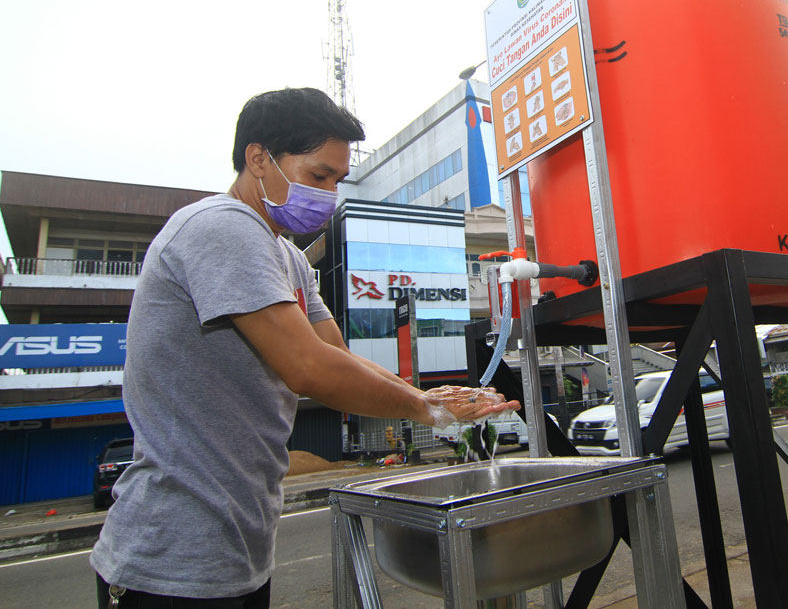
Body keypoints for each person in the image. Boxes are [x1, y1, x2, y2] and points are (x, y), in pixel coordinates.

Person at [90, 88, 518, 609]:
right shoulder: (219, 228)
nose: (330, 193)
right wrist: (426, 411)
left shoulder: (288, 258)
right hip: (169, 560)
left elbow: (337, 355)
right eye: (319, 176)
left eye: (337, 180)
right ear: (258, 158)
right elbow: (308, 369)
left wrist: (436, 394)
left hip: (240, 548)